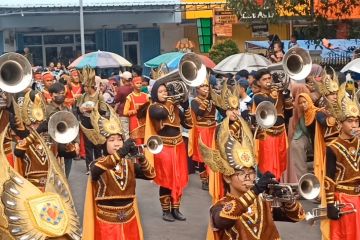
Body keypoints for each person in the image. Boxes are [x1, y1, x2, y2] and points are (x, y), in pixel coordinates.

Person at [200, 113, 305, 240]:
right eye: (241, 173)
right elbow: (223, 220)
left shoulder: (263, 202)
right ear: (227, 178)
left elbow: (296, 216)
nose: (248, 177)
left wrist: (287, 200)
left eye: (250, 173)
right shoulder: (219, 207)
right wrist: (255, 191)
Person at [82, 103, 155, 240]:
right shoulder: (97, 164)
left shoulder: (128, 164)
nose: (117, 143)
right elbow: (96, 170)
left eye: (120, 140)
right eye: (111, 140)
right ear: (104, 143)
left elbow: (151, 174)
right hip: (107, 224)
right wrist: (122, 152)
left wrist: (141, 157)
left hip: (129, 220)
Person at [145, 78, 193, 222]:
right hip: (163, 148)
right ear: (155, 93)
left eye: (166, 91)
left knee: (178, 178)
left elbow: (189, 124)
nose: (164, 93)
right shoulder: (153, 107)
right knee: (166, 179)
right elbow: (160, 114)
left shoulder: (176, 107)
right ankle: (166, 211)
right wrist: (173, 101)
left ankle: (176, 209)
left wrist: (185, 104)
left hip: (178, 146)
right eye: (160, 91)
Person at [324, 83, 360, 240]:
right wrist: (331, 204)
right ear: (340, 123)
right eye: (350, 121)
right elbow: (329, 178)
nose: (354, 125)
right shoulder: (333, 148)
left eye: (357, 121)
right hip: (343, 200)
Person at [251, 69, 293, 180]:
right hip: (266, 134)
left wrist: (286, 94)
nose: (268, 81)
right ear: (259, 83)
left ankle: (277, 186)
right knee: (267, 164)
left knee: (281, 161)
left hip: (281, 132)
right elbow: (269, 105)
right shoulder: (258, 96)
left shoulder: (278, 93)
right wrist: (275, 93)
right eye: (264, 79)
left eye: (269, 78)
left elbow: (289, 112)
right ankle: (267, 187)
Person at [77, 67, 107, 173]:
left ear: (91, 85)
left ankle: (99, 165)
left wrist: (93, 109)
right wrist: (81, 109)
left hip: (96, 122)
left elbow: (103, 110)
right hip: (86, 121)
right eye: (84, 86)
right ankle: (89, 167)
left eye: (86, 86)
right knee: (88, 145)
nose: (85, 88)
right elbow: (77, 109)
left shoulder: (99, 96)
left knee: (98, 145)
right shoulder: (83, 96)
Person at [47, 82, 79, 178]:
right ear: (52, 95)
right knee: (55, 173)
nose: (62, 96)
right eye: (60, 93)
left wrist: (76, 142)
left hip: (67, 144)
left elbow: (74, 125)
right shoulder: (47, 109)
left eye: (63, 93)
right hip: (53, 145)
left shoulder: (67, 108)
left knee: (66, 173)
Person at [188, 78, 216, 190]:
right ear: (197, 89)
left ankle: (213, 178)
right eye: (202, 86)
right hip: (202, 131)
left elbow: (223, 111)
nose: (205, 88)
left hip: (213, 129)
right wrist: (208, 100)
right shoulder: (194, 101)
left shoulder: (212, 99)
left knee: (214, 155)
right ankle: (204, 180)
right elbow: (200, 112)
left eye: (207, 86)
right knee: (202, 157)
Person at [123, 77, 150, 144]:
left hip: (145, 123)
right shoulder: (130, 97)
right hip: (135, 125)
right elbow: (125, 112)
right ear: (133, 85)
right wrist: (135, 111)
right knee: (138, 144)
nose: (139, 85)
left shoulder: (146, 96)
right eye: (137, 83)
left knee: (147, 143)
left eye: (140, 83)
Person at [114, 71, 133, 140]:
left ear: (124, 80)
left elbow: (116, 99)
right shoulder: (133, 87)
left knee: (125, 132)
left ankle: (127, 148)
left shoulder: (121, 89)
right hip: (132, 112)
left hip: (123, 113)